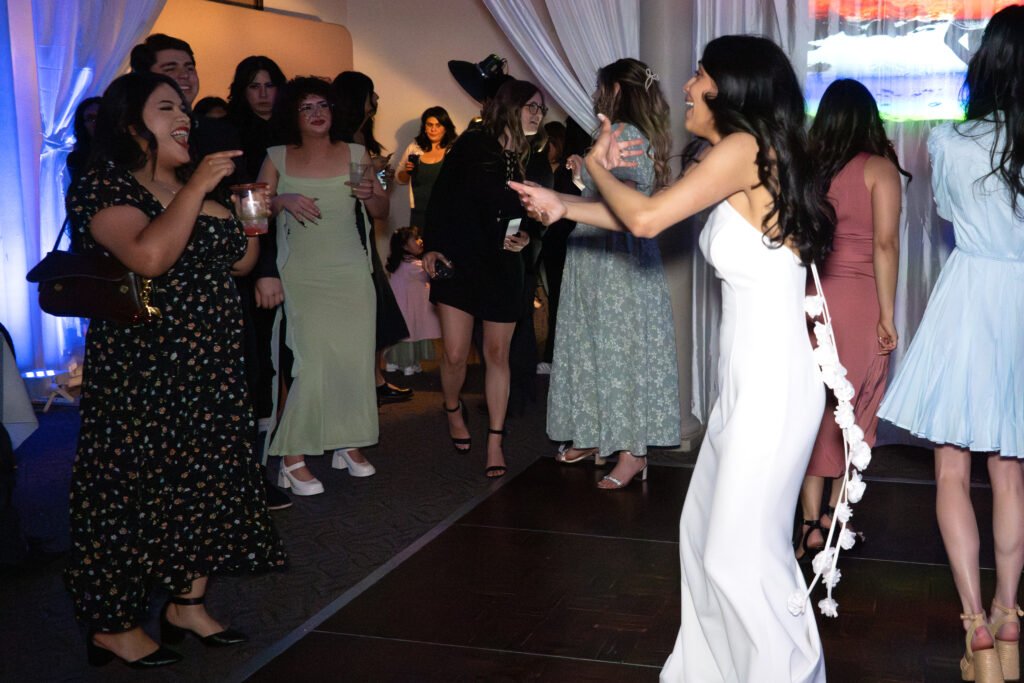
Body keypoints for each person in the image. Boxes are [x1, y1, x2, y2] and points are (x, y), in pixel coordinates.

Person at [511, 35, 835, 681]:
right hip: (750, 380)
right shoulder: (738, 153)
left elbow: (647, 220)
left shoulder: (744, 149)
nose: (686, 86)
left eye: (699, 74)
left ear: (731, 88)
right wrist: (566, 204)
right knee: (704, 536)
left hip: (772, 383)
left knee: (741, 557)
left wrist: (592, 162)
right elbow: (651, 212)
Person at [63, 72, 286, 668]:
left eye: (184, 108)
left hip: (209, 368)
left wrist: (250, 217)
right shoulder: (105, 186)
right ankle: (113, 624)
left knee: (204, 481)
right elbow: (149, 256)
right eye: (167, 108)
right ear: (130, 123)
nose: (184, 117)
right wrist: (201, 189)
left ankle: (188, 603)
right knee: (131, 489)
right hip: (143, 372)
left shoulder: (189, 187)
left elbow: (240, 262)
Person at [878, 7, 1024, 682]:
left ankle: (977, 630)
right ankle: (1008, 613)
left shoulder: (949, 138)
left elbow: (943, 212)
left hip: (968, 299)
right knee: (1010, 472)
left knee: (950, 471)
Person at [546, 58, 680, 489]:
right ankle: (593, 435)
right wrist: (579, 178)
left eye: (601, 87)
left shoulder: (622, 133)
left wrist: (586, 176)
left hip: (613, 260)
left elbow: (622, 201)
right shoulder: (631, 133)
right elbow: (611, 191)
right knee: (592, 348)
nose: (595, 95)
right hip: (601, 255)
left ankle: (631, 452)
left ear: (617, 90)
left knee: (619, 353)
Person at [258, 76, 389, 496]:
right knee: (311, 362)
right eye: (306, 107)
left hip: (351, 271)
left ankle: (346, 441)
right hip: (302, 274)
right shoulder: (277, 157)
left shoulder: (355, 153)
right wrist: (280, 202)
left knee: (353, 359)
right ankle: (290, 455)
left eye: (322, 106)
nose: (316, 114)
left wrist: (371, 194)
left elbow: (381, 209)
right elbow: (251, 213)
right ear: (292, 115)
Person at [794, 78, 906, 559]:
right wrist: (888, 314)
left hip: (813, 299)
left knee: (814, 409)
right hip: (860, 302)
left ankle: (807, 526)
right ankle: (834, 518)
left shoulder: (807, 170)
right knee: (855, 410)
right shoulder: (880, 168)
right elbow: (886, 244)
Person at [422, 78, 540, 478]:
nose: (538, 115)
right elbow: (441, 198)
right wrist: (431, 247)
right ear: (511, 107)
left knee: (497, 355)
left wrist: (528, 235)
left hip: (504, 265)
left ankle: (494, 442)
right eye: (532, 107)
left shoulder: (534, 156)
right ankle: (452, 407)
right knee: (456, 354)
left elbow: (541, 214)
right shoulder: (474, 144)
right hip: (459, 259)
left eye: (541, 109)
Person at [224, 56, 293, 510]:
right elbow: (251, 209)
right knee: (259, 360)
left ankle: (287, 445)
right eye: (255, 86)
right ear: (242, 91)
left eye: (270, 84)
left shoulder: (292, 130)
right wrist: (264, 266)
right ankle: (257, 462)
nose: (264, 93)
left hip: (299, 252)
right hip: (254, 257)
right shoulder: (235, 135)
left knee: (289, 355)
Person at [332, 70, 413, 404]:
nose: (376, 99)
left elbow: (379, 192)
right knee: (373, 304)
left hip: (364, 220)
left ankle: (376, 378)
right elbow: (352, 188)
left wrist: (381, 172)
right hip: (346, 227)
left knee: (378, 305)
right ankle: (371, 381)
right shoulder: (342, 137)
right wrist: (374, 173)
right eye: (371, 93)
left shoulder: (362, 134)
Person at [384, 226, 441, 375]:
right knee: (411, 334)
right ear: (404, 246)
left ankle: (393, 362)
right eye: (415, 239)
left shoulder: (399, 264)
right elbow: (431, 273)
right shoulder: (414, 266)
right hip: (410, 310)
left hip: (401, 309)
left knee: (403, 336)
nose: (420, 240)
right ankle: (408, 362)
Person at [394, 106, 458, 229]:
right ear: (424, 127)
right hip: (418, 213)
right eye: (429, 125)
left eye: (438, 125)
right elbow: (399, 179)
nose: (433, 129)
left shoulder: (453, 150)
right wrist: (408, 172)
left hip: (445, 214)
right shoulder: (414, 147)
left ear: (445, 128)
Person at [66, 96, 101, 186]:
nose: (97, 123)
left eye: (101, 117)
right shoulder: (76, 160)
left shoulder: (127, 152)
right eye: (91, 118)